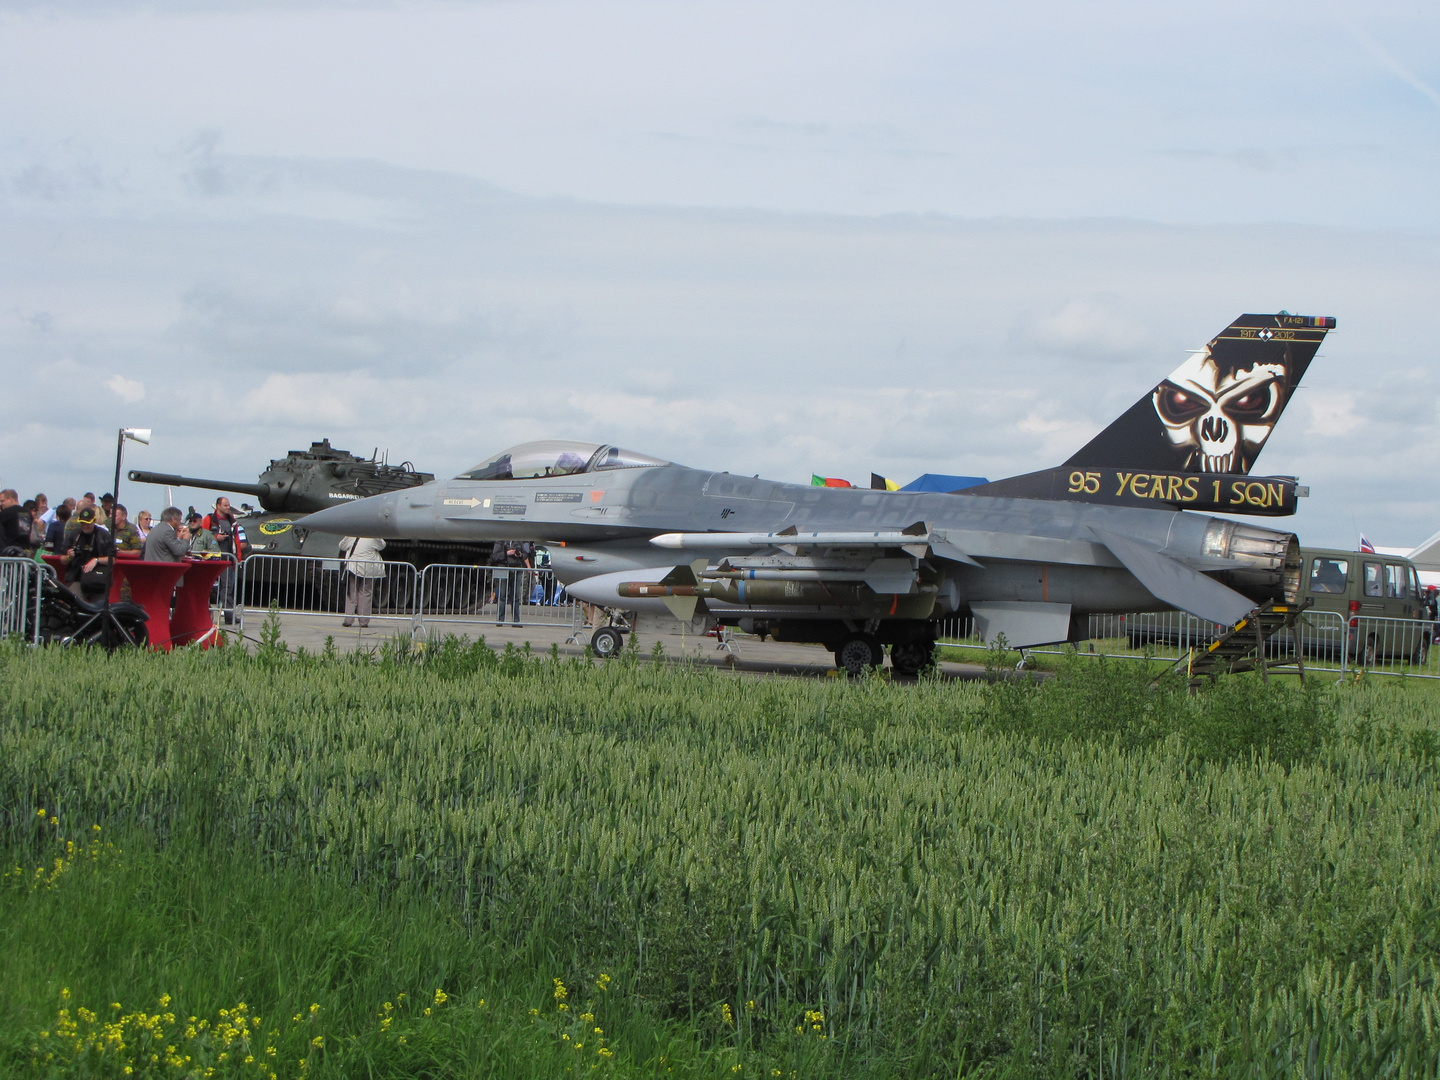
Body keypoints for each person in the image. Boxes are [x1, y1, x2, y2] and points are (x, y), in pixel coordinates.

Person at [202, 497, 243, 624]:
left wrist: (237, 558)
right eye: (225, 505)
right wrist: (215, 537)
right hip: (210, 560)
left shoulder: (232, 521)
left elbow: (237, 541)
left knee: (227, 588)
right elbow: (202, 536)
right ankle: (205, 616)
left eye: (228, 505)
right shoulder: (209, 519)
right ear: (218, 506)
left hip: (227, 560)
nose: (228, 508)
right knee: (206, 588)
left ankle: (229, 616)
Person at [61, 507, 114, 598]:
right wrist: (69, 556)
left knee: (99, 607)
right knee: (74, 601)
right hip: (77, 577)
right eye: (82, 523)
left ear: (94, 521)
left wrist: (96, 560)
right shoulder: (74, 534)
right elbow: (62, 559)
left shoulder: (103, 535)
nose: (85, 526)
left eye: (88, 524)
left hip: (97, 579)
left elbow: (113, 559)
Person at [340, 535, 387, 628]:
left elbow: (342, 546)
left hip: (353, 568)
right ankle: (363, 621)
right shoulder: (372, 537)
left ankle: (348, 620)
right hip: (368, 569)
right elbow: (382, 545)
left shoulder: (352, 535)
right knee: (366, 593)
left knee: (351, 594)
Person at [490, 539, 533, 627]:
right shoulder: (500, 541)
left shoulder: (521, 540)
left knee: (516, 596)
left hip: (516, 568)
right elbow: (495, 556)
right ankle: (500, 620)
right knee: (502, 596)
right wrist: (507, 553)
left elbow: (526, 553)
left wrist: (520, 554)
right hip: (503, 568)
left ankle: (516, 621)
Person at [0, 490, 31, 554]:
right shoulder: (27, 513)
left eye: (2, 501)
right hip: (25, 552)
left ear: (11, 499)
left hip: (8, 552)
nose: (1, 504)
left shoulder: (5, 513)